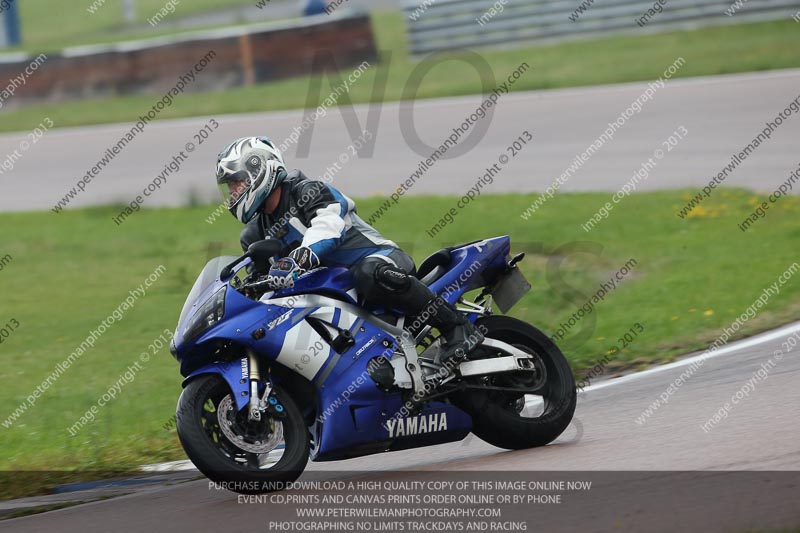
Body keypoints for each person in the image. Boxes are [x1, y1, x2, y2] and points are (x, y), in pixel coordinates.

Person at [215, 136, 483, 364]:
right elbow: (261, 284)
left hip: (382, 261)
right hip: (335, 295)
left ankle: (456, 326)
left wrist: (300, 258)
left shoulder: (308, 191)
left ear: (260, 170)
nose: (233, 192)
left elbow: (328, 225)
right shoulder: (254, 234)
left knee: (369, 273)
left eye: (237, 183)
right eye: (230, 187)